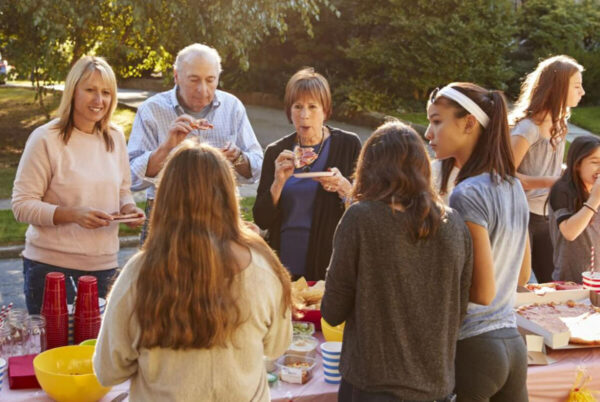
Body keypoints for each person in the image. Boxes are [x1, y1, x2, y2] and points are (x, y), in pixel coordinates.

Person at [94, 141, 292, 401]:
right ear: (229, 195)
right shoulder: (264, 266)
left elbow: (109, 371)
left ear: (165, 198)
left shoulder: (139, 274)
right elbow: (277, 345)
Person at [321, 121, 473, 401]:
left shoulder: (360, 218)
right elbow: (459, 310)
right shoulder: (455, 225)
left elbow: (332, 310)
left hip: (373, 385)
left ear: (368, 167)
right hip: (435, 386)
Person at [11, 56, 144, 314]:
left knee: (97, 352)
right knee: (56, 352)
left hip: (104, 267)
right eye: (90, 90)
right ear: (73, 91)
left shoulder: (115, 137)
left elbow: (122, 191)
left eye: (106, 92)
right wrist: (73, 215)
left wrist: (128, 209)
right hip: (50, 268)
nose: (99, 100)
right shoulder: (44, 139)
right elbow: (21, 205)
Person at [426, 83, 531, 401]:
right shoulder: (513, 186)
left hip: (474, 348)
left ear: (469, 123)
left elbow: (482, 292)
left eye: (437, 121)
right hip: (513, 346)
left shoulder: (467, 192)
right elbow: (522, 277)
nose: (429, 133)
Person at [127, 43, 263, 242]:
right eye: (194, 80)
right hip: (167, 213)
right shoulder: (151, 110)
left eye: (210, 80)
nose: (203, 89)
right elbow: (132, 178)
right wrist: (166, 147)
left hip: (221, 211)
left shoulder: (232, 107)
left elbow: (258, 169)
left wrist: (237, 157)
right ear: (176, 76)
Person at [253, 67, 361, 280]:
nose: (304, 115)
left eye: (313, 107)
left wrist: (343, 187)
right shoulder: (277, 152)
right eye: (298, 106)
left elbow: (364, 209)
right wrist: (278, 182)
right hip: (282, 261)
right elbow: (261, 219)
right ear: (289, 110)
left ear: (326, 110)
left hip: (329, 262)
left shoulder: (348, 145)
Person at [510, 55, 585, 283]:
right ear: (558, 88)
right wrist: (552, 181)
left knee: (552, 282)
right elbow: (505, 175)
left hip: (547, 214)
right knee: (521, 283)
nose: (582, 92)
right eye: (577, 86)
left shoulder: (559, 125)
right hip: (522, 216)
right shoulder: (527, 129)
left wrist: (569, 172)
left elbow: (547, 167)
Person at [548, 135, 600, 282]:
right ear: (577, 164)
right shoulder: (562, 190)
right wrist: (595, 199)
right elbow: (569, 232)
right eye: (595, 162)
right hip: (570, 281)